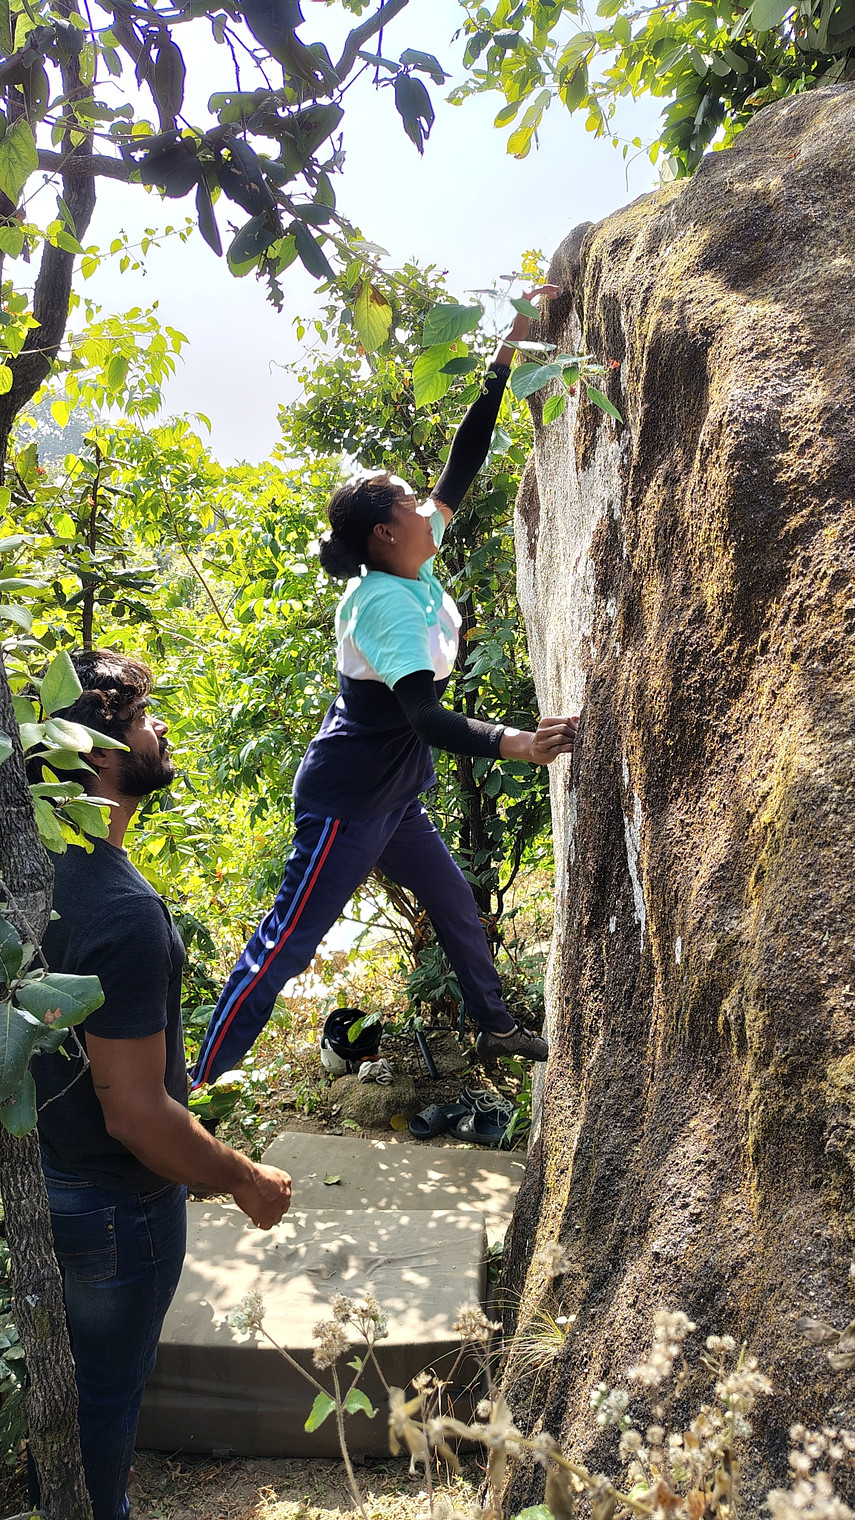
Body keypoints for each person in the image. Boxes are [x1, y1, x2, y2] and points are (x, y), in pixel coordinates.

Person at [194, 286, 577, 1090]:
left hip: (394, 795)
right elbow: (425, 716)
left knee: (455, 904)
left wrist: (507, 347)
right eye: (409, 501)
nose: (426, 504)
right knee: (284, 946)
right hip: (348, 801)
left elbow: (464, 456)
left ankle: (494, 1027)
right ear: (383, 531)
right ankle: (188, 1089)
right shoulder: (384, 604)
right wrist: (515, 743)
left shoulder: (410, 561)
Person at [29, 650, 293, 1520]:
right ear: (99, 756)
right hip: (115, 1205)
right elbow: (138, 1114)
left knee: (74, 1388)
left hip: (47, 1175)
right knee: (106, 1394)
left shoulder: (30, 869)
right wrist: (245, 1179)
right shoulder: (121, 910)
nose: (161, 727)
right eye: (144, 718)